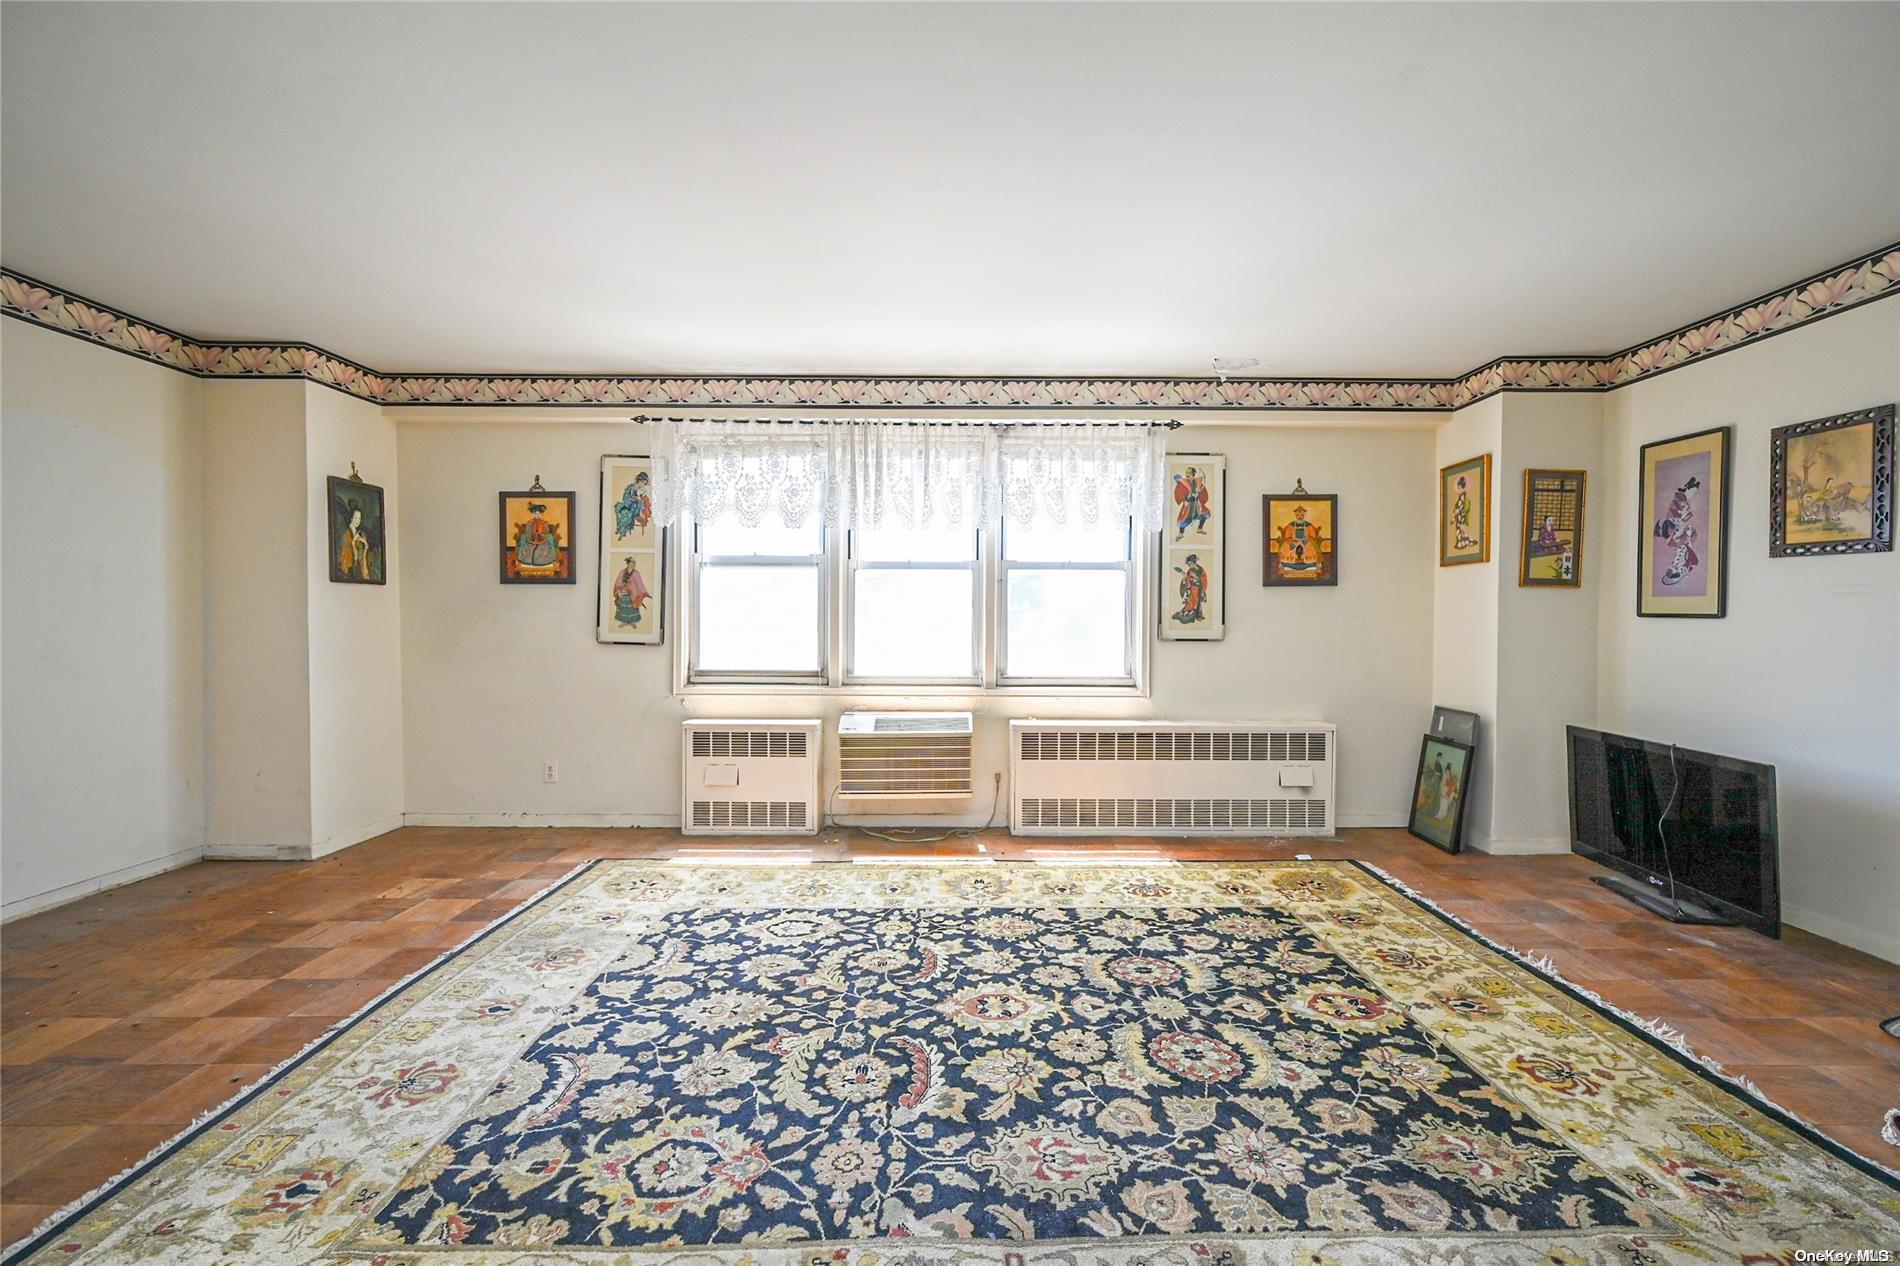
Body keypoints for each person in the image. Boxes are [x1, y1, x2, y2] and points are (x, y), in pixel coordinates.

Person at [514, 502, 560, 569]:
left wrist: (542, 532)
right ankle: (521, 560)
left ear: (541, 514)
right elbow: (528, 531)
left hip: (543, 537)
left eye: (539, 514)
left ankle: (552, 559)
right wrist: (532, 534)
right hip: (531, 537)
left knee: (549, 541)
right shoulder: (530, 522)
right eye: (535, 513)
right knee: (524, 541)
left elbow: (546, 530)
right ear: (533, 514)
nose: (537, 515)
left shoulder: (544, 522)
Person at [612, 556, 651, 628]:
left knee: (632, 609)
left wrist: (644, 593)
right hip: (623, 594)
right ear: (628, 563)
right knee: (623, 608)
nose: (634, 564)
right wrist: (619, 591)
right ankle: (624, 622)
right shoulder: (622, 572)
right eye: (633, 562)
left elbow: (640, 584)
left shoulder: (636, 573)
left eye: (635, 562)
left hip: (633, 595)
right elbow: (618, 583)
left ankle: (632, 622)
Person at [338, 505, 373, 579]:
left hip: (358, 570)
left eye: (359, 518)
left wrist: (366, 547)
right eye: (356, 518)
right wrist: (353, 541)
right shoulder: (346, 534)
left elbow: (361, 558)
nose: (358, 521)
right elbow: (344, 555)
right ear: (351, 518)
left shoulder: (361, 535)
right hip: (348, 571)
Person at [1172, 554, 1207, 623]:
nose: (1189, 565)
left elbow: (1204, 580)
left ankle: (1198, 616)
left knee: (1198, 603)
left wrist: (1203, 590)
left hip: (1199, 589)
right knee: (1191, 601)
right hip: (1192, 588)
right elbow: (1188, 579)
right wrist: (1184, 576)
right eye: (1188, 564)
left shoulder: (1201, 570)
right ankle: (1188, 614)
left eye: (1190, 563)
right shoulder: (1190, 571)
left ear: (1194, 562)